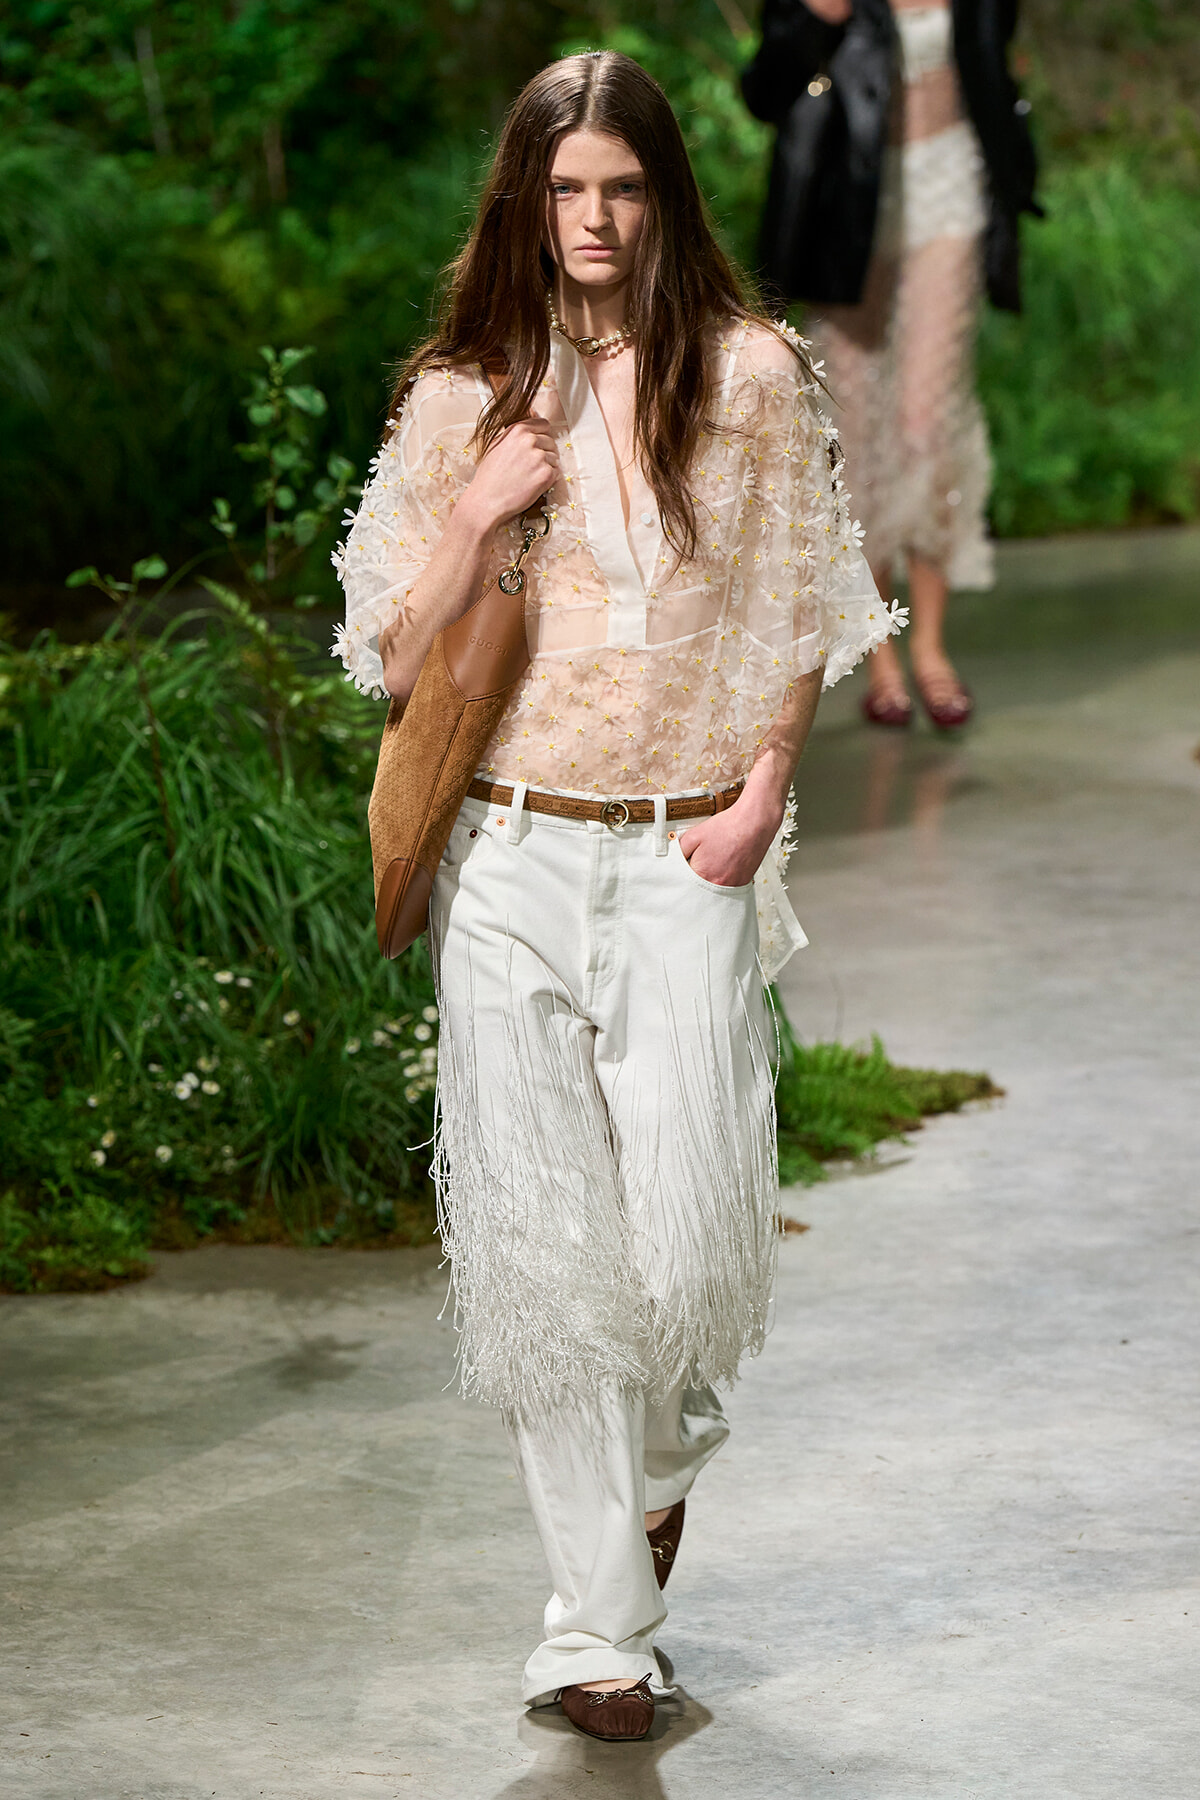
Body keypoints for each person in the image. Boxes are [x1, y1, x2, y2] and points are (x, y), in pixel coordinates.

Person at [333, 49, 902, 1743]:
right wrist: (483, 511)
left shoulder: (747, 374)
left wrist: (762, 796)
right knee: (541, 1249)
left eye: (622, 189)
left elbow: (803, 604)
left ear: (664, 197)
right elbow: (383, 643)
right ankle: (596, 1637)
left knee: (687, 1242)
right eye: (564, 190)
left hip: (682, 854)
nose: (591, 221)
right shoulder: (462, 398)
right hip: (508, 851)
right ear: (527, 199)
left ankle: (659, 1470)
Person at [742, 0, 1041, 728]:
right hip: (846, 213)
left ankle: (932, 649)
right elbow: (761, 94)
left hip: (951, 196)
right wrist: (817, 19)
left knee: (926, 423)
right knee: (860, 435)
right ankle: (881, 652)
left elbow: (995, 62)